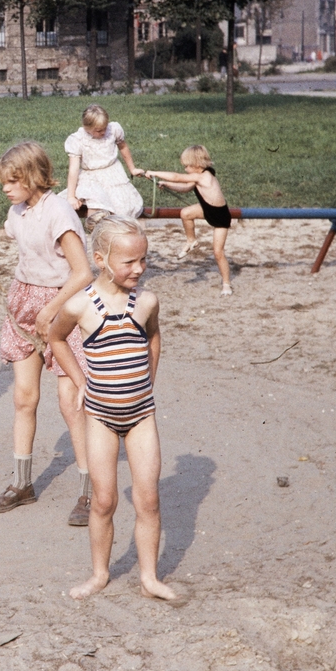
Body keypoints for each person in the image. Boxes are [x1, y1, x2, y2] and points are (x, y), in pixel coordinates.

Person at [48, 217, 178, 602]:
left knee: (148, 499)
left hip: (141, 417)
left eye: (144, 260)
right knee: (104, 500)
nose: (138, 269)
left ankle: (150, 577)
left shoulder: (147, 302)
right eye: (129, 262)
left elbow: (153, 336)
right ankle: (100, 573)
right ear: (101, 258)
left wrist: (146, 382)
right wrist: (81, 381)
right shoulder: (80, 305)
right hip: (100, 419)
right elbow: (55, 338)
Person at [0, 142, 96, 526]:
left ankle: (89, 490)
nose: (6, 188)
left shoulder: (58, 212)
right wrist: (30, 302)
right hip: (24, 302)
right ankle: (22, 484)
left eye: (13, 180)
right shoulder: (18, 210)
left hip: (63, 307)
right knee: (23, 398)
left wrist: (52, 308)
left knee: (70, 401)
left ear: (33, 177)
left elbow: (83, 272)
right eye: (4, 181)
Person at [149, 145, 234, 295]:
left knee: (218, 252)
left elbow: (177, 177)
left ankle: (226, 283)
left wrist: (154, 173)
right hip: (207, 209)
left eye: (188, 166)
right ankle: (191, 240)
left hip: (220, 216)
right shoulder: (198, 176)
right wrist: (166, 184)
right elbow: (185, 187)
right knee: (186, 213)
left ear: (198, 164)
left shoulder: (205, 176)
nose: (186, 169)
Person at [64, 105, 146, 223]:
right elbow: (73, 169)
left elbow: (123, 147)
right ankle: (96, 233)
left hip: (113, 173)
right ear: (87, 128)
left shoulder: (113, 130)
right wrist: (71, 196)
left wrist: (132, 169)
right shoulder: (78, 140)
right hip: (91, 176)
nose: (103, 132)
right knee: (96, 205)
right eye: (98, 130)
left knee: (122, 206)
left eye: (104, 128)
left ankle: (117, 233)